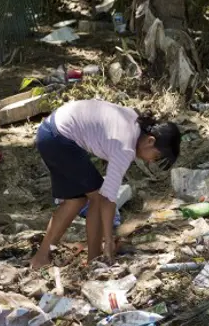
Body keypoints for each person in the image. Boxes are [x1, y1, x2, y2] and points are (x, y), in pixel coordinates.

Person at [30, 99, 180, 268]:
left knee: (75, 200)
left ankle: (41, 258)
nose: (152, 161)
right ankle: (94, 260)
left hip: (49, 131)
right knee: (96, 197)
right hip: (60, 139)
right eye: (156, 156)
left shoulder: (134, 121)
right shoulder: (125, 148)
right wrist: (108, 241)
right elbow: (106, 199)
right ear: (150, 141)